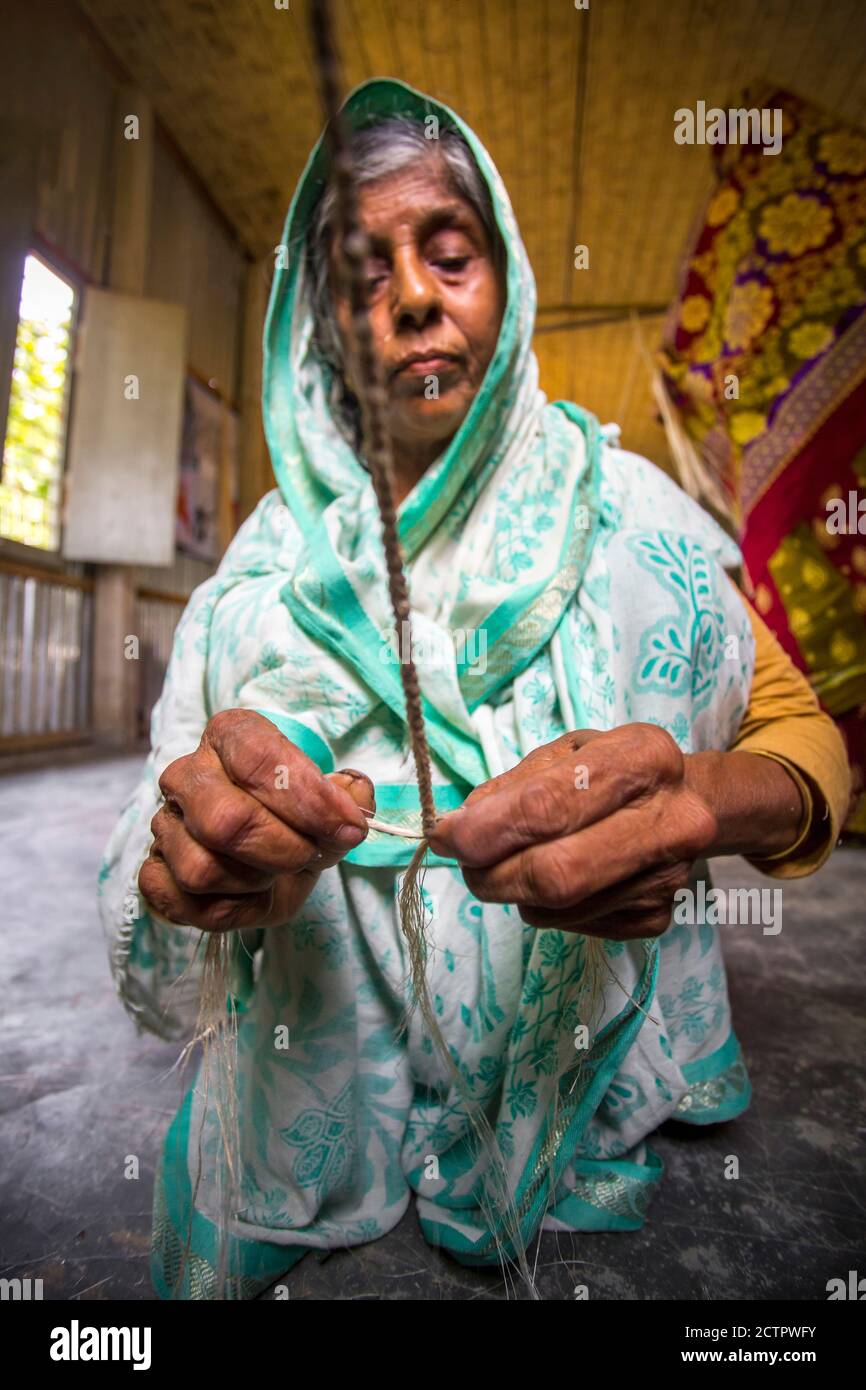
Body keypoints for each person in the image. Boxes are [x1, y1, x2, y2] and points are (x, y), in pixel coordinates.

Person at [98, 79, 851, 1299]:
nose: (409, 298)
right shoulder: (270, 560)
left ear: (507, 288)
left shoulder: (634, 514)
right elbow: (163, 803)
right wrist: (199, 860)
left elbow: (799, 737)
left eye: (450, 255)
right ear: (323, 329)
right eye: (359, 278)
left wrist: (701, 805)